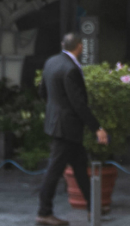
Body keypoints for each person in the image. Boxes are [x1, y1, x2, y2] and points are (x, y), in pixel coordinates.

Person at [36, 33, 109, 226]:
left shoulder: (51, 62)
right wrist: (97, 128)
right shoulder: (71, 69)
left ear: (63, 45)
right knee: (54, 170)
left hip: (58, 124)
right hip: (66, 128)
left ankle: (93, 208)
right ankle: (44, 212)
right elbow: (79, 104)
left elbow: (42, 92)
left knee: (79, 167)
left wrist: (55, 110)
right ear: (80, 47)